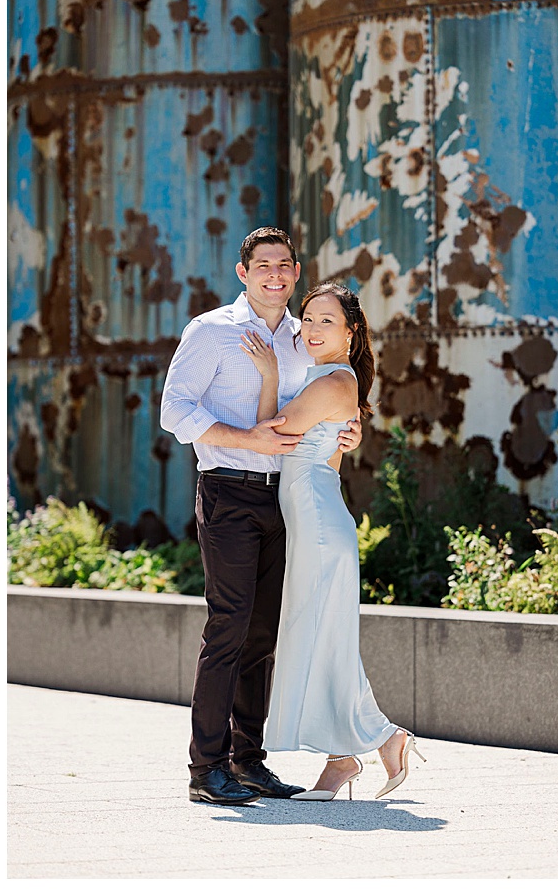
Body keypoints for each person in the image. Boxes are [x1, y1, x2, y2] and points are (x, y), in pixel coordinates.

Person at [158, 228, 362, 807]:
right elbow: (175, 412)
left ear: (296, 274)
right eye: (263, 265)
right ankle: (206, 768)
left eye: (285, 265)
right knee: (228, 624)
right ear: (243, 273)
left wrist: (349, 429)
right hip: (228, 490)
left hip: (287, 498)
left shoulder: (307, 336)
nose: (276, 274)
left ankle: (248, 762)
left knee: (262, 634)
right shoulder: (212, 331)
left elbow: (337, 390)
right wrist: (243, 437)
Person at [243, 285, 420, 800]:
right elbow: (325, 454)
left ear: (351, 332)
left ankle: (384, 739)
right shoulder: (327, 380)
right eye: (307, 318)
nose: (312, 328)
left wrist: (270, 374)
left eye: (326, 320)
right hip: (314, 525)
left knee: (321, 639)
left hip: (319, 527)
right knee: (323, 641)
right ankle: (345, 759)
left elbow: (269, 434)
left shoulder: (332, 382)